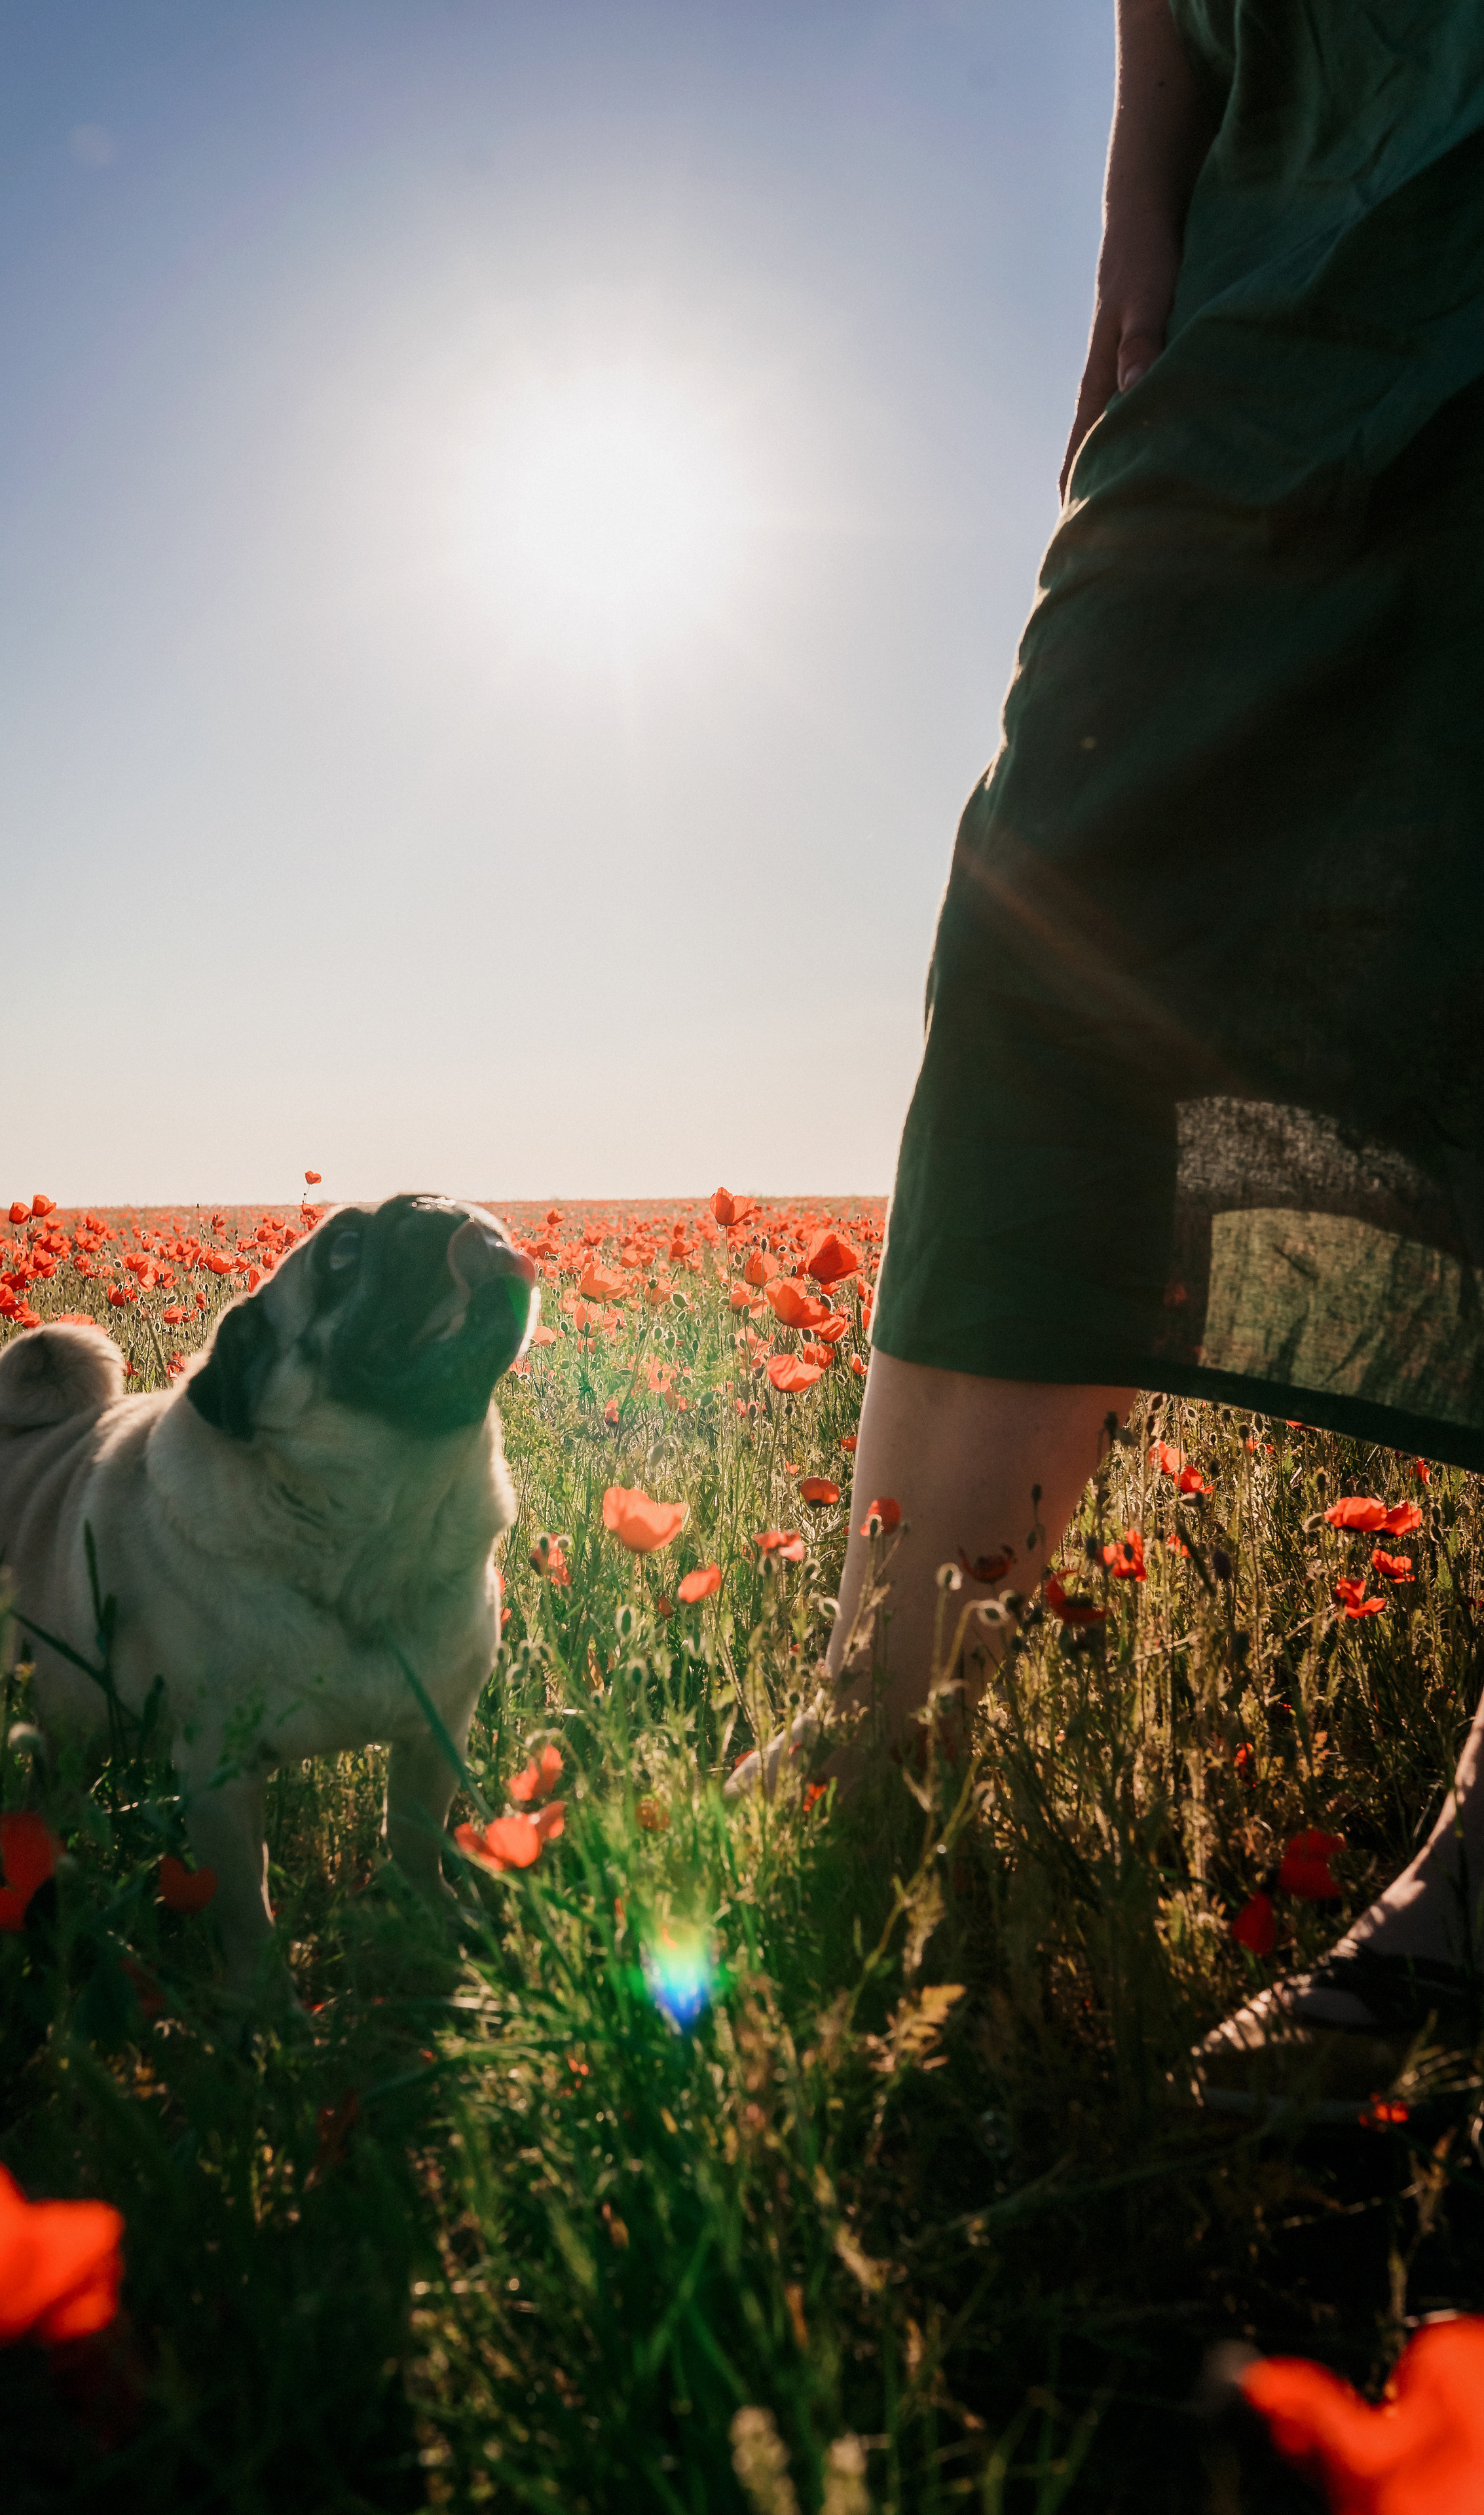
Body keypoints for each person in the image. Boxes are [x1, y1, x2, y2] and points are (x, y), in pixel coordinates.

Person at [733, 0, 1484, 2109]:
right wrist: (1137, 201)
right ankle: (878, 1734)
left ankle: (1472, 1900)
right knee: (1048, 919)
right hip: (1281, 234)